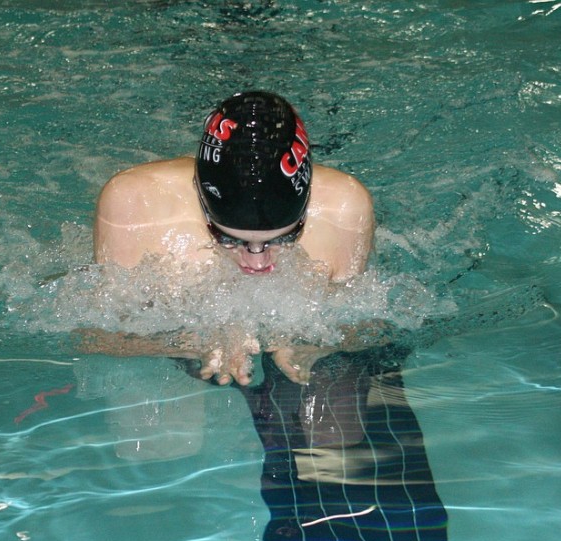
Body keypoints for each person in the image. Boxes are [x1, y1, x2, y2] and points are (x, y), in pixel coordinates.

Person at [84, 91, 376, 386]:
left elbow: (364, 323)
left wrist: (311, 345)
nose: (258, 262)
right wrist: (186, 343)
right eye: (229, 239)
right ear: (200, 200)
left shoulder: (345, 205)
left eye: (284, 238)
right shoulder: (134, 203)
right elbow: (97, 336)